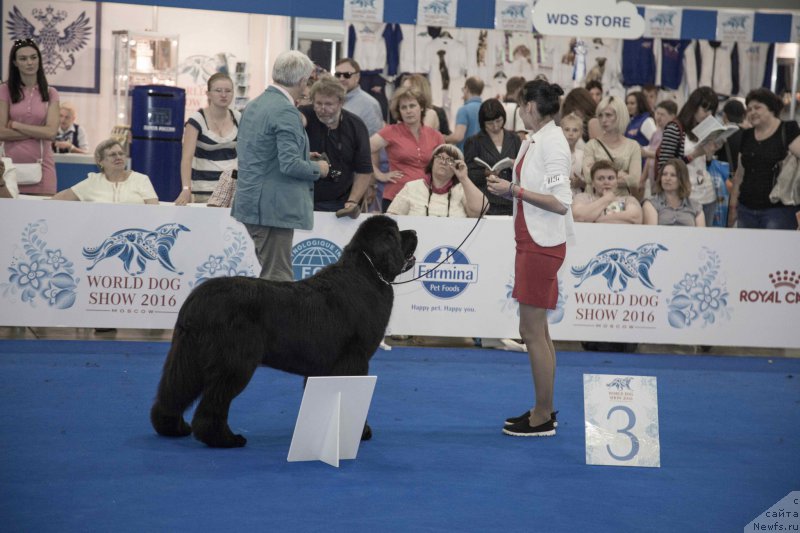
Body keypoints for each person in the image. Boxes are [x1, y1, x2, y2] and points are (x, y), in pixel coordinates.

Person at [486, 79, 574, 437]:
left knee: (531, 331)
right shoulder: (538, 139)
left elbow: (560, 201)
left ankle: (542, 416)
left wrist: (513, 189)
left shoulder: (552, 143)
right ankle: (543, 408)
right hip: (532, 239)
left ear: (532, 107)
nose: (518, 110)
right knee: (539, 331)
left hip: (541, 244)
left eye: (521, 104)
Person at [231, 50, 329, 282]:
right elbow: (290, 165)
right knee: (279, 280)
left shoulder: (255, 104)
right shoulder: (286, 111)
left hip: (253, 202)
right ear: (302, 80)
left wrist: (304, 154)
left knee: (271, 275)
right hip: (272, 208)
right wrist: (319, 169)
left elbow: (260, 150)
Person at [299, 75, 373, 217]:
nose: (322, 109)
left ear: (341, 102)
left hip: (339, 204)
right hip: (301, 200)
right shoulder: (304, 114)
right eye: (318, 103)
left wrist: (352, 202)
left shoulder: (356, 126)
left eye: (329, 104)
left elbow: (364, 170)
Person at [729, 88, 800, 230]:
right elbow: (740, 174)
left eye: (757, 107)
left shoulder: (788, 130)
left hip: (779, 210)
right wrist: (733, 207)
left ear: (771, 108)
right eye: (749, 109)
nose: (752, 112)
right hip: (746, 208)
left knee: (775, 251)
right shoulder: (746, 135)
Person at [370, 86, 444, 212]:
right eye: (403, 107)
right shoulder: (390, 131)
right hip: (395, 197)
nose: (408, 111)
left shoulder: (435, 135)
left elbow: (445, 164)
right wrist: (379, 175)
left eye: (412, 106)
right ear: (399, 111)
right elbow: (364, 149)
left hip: (427, 197)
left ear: (421, 107)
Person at [0, 39, 59, 195]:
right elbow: (1, 132)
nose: (29, 62)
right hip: (8, 168)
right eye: (23, 58)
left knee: (43, 217)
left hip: (43, 168)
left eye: (33, 57)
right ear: (15, 62)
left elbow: (51, 133)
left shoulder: (51, 92)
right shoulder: (4, 90)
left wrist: (17, 125)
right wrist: (39, 132)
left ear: (39, 59)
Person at [657, 87, 719, 224]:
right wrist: (693, 155)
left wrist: (709, 154)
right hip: (684, 197)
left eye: (711, 111)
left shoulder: (704, 129)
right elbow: (665, 166)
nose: (708, 114)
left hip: (707, 195)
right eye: (705, 109)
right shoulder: (675, 128)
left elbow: (703, 166)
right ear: (693, 107)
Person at [176, 73, 241, 205]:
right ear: (208, 94)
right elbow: (186, 159)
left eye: (228, 91)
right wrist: (186, 189)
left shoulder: (238, 117)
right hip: (203, 191)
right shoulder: (196, 120)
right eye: (218, 90)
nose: (223, 95)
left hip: (233, 190)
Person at [387, 144, 486, 217]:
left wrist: (464, 178)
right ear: (432, 162)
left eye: (450, 160)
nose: (443, 162)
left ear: (457, 166)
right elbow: (391, 218)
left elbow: (481, 210)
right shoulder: (412, 187)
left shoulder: (462, 189)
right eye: (440, 157)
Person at [51, 139, 158, 204]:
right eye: (112, 155)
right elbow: (59, 199)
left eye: (121, 154)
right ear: (100, 161)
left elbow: (155, 211)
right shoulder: (92, 182)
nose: (118, 157)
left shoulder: (141, 179)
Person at [463, 98, 522, 215]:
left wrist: (513, 164)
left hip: (511, 200)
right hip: (487, 202)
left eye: (498, 121)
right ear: (482, 123)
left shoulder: (514, 138)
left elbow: (524, 167)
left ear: (504, 118)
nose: (495, 126)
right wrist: (485, 173)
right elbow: (468, 172)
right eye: (490, 123)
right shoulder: (473, 141)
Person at [582, 96, 642, 198]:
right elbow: (588, 177)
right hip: (594, 202)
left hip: (621, 203)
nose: (603, 120)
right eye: (600, 115)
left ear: (619, 116)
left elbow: (635, 180)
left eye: (608, 115)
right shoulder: (591, 145)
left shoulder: (633, 146)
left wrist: (598, 173)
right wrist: (622, 174)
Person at [572, 160, 643, 224]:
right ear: (593, 183)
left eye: (610, 178)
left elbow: (635, 217)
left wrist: (597, 220)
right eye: (601, 178)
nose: (606, 182)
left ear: (616, 182)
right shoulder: (582, 198)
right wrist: (607, 199)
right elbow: (578, 216)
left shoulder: (628, 199)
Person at [642, 158, 705, 227]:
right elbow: (652, 235)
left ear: (682, 179)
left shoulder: (695, 207)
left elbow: (701, 235)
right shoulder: (651, 204)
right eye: (664, 174)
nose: (667, 178)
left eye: (673, 175)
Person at [335, 58, 384, 137]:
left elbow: (373, 140)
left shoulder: (369, 104)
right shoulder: (329, 100)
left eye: (347, 74)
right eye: (338, 75)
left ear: (357, 77)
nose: (341, 78)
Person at [641, 100, 678, 198]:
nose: (658, 117)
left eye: (662, 114)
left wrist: (646, 153)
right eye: (657, 113)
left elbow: (667, 155)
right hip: (653, 180)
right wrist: (642, 179)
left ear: (673, 116)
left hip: (667, 180)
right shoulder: (656, 133)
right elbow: (649, 160)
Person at [446, 76, 484, 150]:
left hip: (466, 155)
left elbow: (458, 136)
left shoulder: (464, 110)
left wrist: (444, 138)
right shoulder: (485, 108)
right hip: (482, 155)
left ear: (466, 89)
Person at [715, 98, 747, 175]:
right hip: (741, 177)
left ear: (725, 116)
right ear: (743, 116)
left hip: (723, 177)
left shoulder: (720, 134)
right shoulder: (748, 135)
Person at [560, 112, 585, 196]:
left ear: (581, 133)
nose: (571, 133)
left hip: (577, 198)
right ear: (561, 131)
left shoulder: (583, 155)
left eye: (575, 130)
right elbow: (545, 179)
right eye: (567, 129)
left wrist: (580, 182)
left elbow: (589, 182)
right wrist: (563, 180)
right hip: (557, 197)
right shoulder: (554, 154)